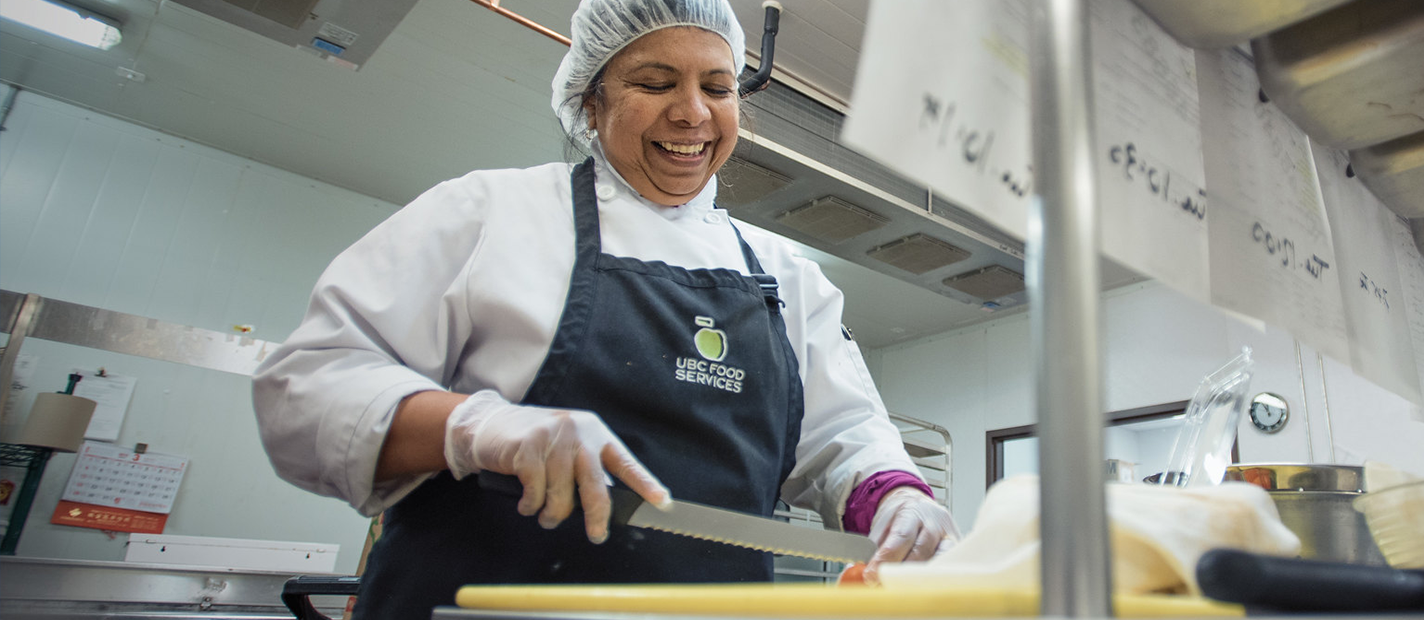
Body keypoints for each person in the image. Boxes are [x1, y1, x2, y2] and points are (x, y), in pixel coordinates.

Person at [251, 0, 956, 616]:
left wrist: (894, 501)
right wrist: (474, 427)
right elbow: (306, 390)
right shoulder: (489, 214)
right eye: (655, 83)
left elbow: (847, 437)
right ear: (590, 102)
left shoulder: (784, 278)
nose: (693, 111)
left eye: (719, 86)